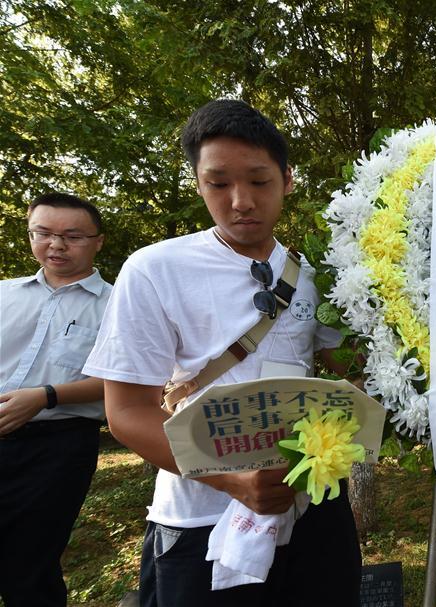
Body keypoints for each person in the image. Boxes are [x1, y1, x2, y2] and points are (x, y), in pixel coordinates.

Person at [83, 99, 361, 606]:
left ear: (287, 179)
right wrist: (232, 481)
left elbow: (352, 378)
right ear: (198, 183)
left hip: (312, 510)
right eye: (218, 184)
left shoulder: (315, 276)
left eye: (258, 181)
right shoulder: (155, 269)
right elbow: (125, 412)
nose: (241, 201)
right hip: (200, 520)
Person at [0, 192, 112, 607]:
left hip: (58, 447)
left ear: (98, 240)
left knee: (29, 566)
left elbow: (127, 380)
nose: (56, 245)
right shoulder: (4, 294)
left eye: (72, 236)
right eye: (43, 233)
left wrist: (46, 397)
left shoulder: (117, 304)